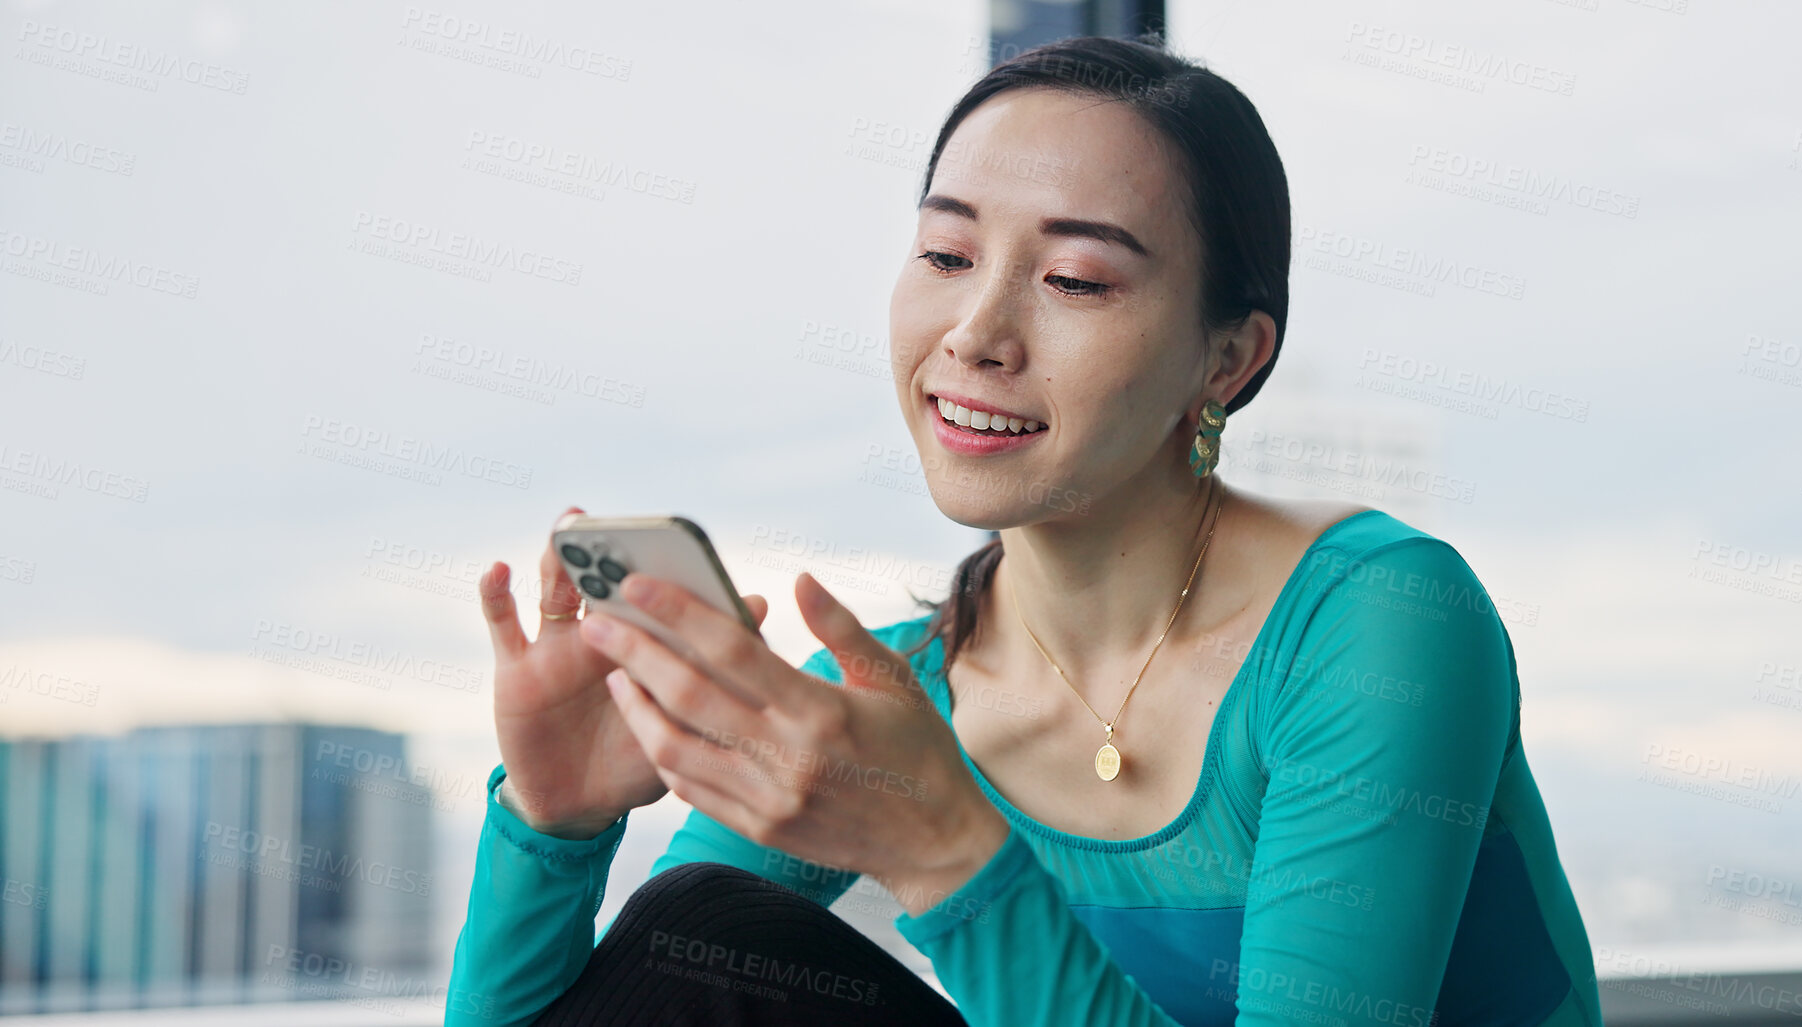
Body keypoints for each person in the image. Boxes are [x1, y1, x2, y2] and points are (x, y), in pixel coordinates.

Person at [447, 33, 1603, 1027]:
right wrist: (552, 827)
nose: (977, 332)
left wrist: (947, 846)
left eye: (1077, 279)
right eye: (946, 257)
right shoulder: (900, 694)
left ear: (1229, 357)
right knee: (691, 930)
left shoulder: (1381, 620)